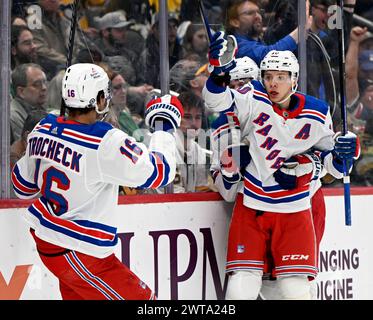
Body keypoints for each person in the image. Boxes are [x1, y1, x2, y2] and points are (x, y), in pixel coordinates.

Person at [203, 31, 359, 300]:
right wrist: (218, 73)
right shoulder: (252, 99)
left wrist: (346, 155)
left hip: (297, 208)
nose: (273, 83)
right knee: (241, 286)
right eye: (268, 76)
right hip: (252, 204)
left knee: (294, 288)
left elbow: (332, 167)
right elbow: (216, 100)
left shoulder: (318, 112)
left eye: (281, 76)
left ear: (294, 80)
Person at [11, 63, 184, 300]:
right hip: (79, 250)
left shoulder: (43, 128)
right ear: (100, 99)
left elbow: (22, 187)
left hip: (49, 244)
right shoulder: (106, 140)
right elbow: (159, 173)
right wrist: (164, 127)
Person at [222, 0, 312, 65]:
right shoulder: (235, 46)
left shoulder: (257, 40)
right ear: (234, 22)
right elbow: (268, 56)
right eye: (250, 13)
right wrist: (300, 30)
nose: (257, 16)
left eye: (258, 12)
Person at [10, 63, 48, 144]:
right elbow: (25, 146)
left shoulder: (38, 107)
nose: (44, 88)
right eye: (37, 84)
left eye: (45, 82)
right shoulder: (13, 115)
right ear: (21, 91)